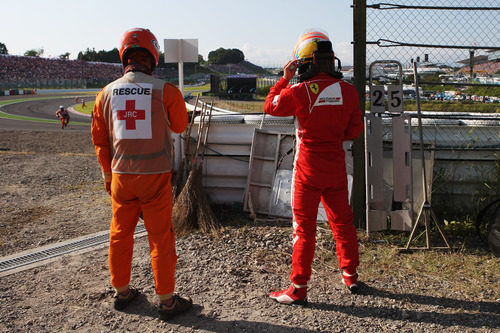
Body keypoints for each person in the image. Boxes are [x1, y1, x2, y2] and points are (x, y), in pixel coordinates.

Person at [91, 27, 191, 320]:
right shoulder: (166, 91)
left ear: (124, 56)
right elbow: (180, 126)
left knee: (120, 235)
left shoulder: (105, 94)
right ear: (153, 56)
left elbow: (100, 141)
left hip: (121, 176)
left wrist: (107, 177)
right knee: (160, 237)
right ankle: (167, 302)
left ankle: (121, 292)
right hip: (156, 177)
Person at [265, 30, 363, 305]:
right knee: (343, 222)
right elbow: (354, 130)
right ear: (332, 60)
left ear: (303, 62)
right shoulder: (349, 91)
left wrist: (284, 78)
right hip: (336, 167)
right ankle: (351, 275)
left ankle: (298, 288)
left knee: (304, 229)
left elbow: (270, 106)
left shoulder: (299, 91)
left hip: (307, 171)